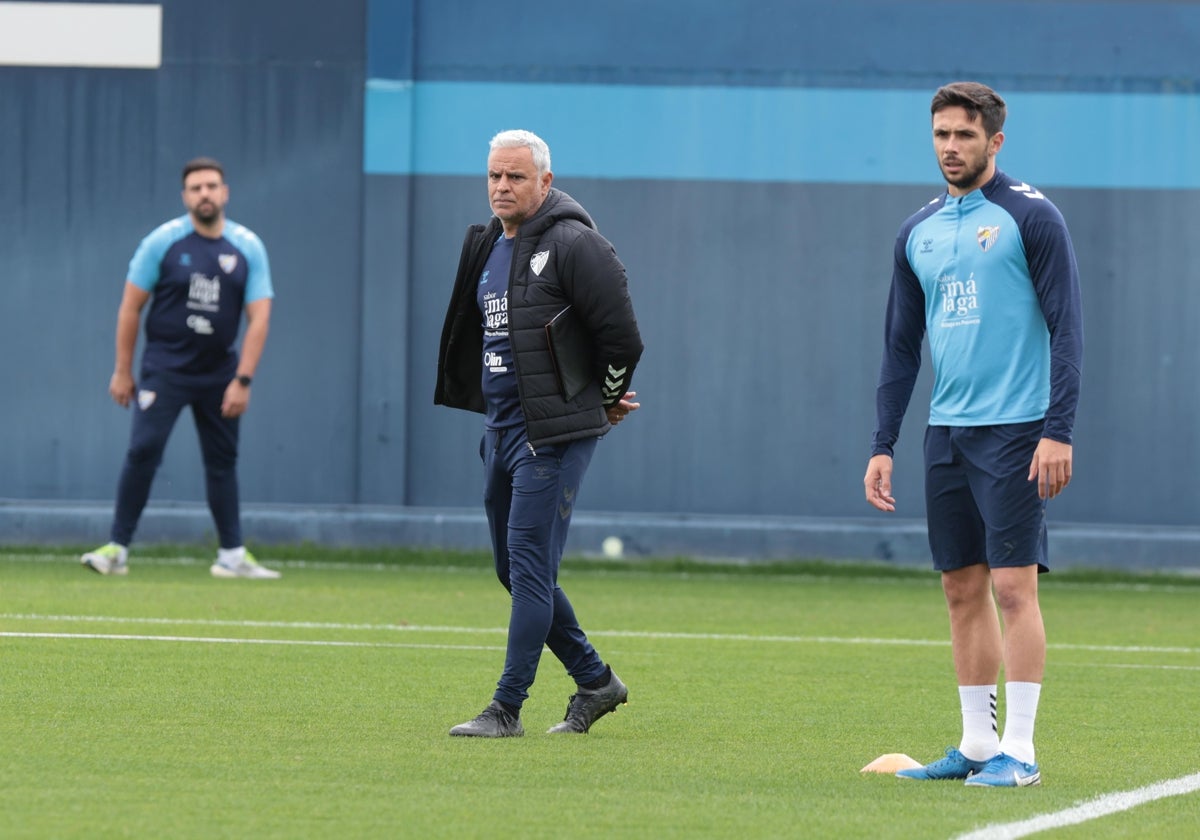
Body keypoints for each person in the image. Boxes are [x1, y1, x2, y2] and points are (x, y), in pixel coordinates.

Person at [863, 82, 1083, 787]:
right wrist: (882, 443)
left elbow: (1068, 329)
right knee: (962, 588)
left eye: (963, 134)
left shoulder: (1033, 217)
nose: (951, 147)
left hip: (1019, 429)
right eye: (941, 135)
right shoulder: (917, 232)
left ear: (995, 138)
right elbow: (901, 349)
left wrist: (1059, 430)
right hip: (946, 431)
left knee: (1015, 587)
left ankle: (1021, 752)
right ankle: (978, 745)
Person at [435, 129, 644, 737]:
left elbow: (623, 340)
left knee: (528, 570)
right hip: (500, 433)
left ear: (545, 183)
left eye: (516, 177)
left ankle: (506, 708)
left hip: (551, 437)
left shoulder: (577, 245)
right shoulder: (485, 246)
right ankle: (596, 681)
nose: (502, 186)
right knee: (513, 571)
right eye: (495, 176)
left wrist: (603, 402)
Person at [81, 157, 280, 580]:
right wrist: (122, 370)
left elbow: (259, 318)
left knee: (222, 461)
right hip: (165, 369)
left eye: (211, 186)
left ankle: (232, 556)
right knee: (143, 450)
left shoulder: (247, 247)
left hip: (220, 373)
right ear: (185, 196)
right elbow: (130, 308)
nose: (204, 193)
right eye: (195, 188)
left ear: (225, 192)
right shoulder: (162, 242)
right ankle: (116, 549)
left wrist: (242, 380)